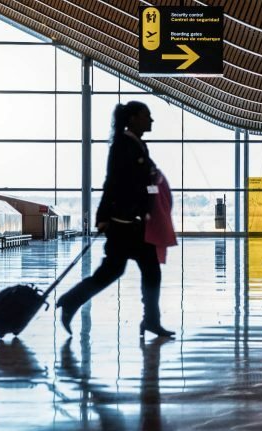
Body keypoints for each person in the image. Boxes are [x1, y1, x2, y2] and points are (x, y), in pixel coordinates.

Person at [55, 101, 175, 338]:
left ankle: (151, 321)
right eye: (146, 115)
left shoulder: (137, 145)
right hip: (123, 224)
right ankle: (70, 301)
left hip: (136, 224)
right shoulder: (123, 145)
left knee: (149, 271)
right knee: (112, 272)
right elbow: (112, 182)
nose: (151, 120)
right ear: (132, 118)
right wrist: (102, 217)